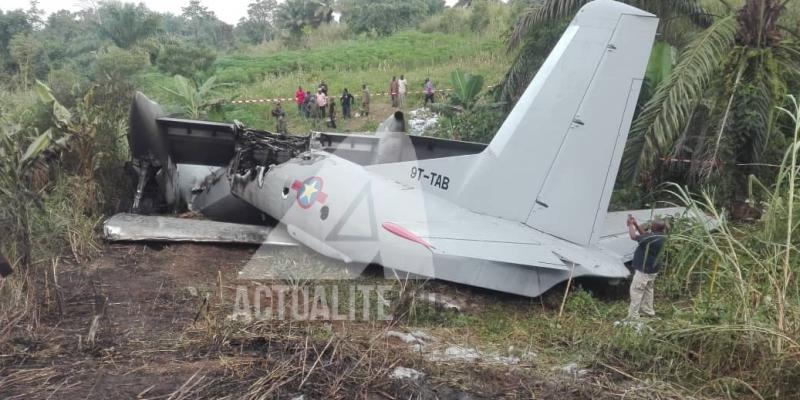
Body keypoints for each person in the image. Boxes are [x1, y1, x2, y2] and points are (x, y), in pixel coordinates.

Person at [626, 216, 667, 320]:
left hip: (644, 271)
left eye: (652, 225)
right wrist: (635, 224)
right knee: (648, 290)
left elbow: (633, 236)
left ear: (654, 227)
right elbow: (644, 235)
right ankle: (648, 311)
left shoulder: (651, 238)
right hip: (653, 270)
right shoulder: (661, 236)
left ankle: (633, 316)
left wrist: (630, 224)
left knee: (636, 291)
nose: (650, 225)